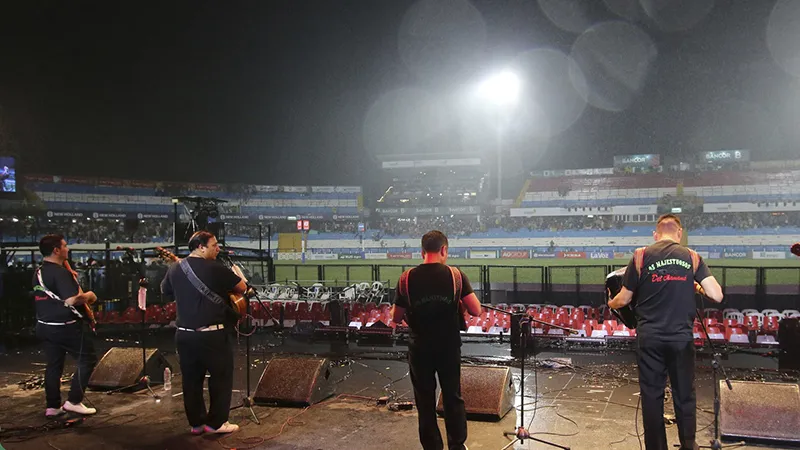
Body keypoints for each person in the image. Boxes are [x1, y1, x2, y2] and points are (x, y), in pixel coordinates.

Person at [608, 214, 723, 450]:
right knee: (685, 396)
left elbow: (625, 298)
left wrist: (611, 303)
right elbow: (717, 295)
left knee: (652, 397)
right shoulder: (691, 257)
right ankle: (688, 445)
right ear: (679, 234)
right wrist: (698, 286)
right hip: (681, 339)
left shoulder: (641, 256)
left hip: (649, 339)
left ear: (655, 235)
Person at [391, 230, 482, 450]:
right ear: (444, 250)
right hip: (448, 347)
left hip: (419, 348)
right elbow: (476, 310)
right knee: (453, 397)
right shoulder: (456, 276)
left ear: (422, 252)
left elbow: (395, 317)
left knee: (424, 401)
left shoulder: (406, 278)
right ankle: (457, 446)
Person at [160, 231, 248, 435]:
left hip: (184, 334)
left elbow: (166, 291)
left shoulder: (174, 268)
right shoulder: (215, 268)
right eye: (214, 245)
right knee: (221, 377)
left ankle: (197, 424)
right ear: (200, 246)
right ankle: (216, 423)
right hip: (212, 335)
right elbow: (242, 287)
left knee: (191, 380)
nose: (217, 249)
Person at [33, 234, 99, 418]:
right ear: (56, 250)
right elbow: (72, 300)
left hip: (44, 326)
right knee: (87, 359)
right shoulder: (60, 272)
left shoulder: (39, 272)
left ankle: (52, 407)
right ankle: (74, 401)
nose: (67, 249)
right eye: (64, 246)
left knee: (54, 365)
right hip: (65, 327)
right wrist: (90, 295)